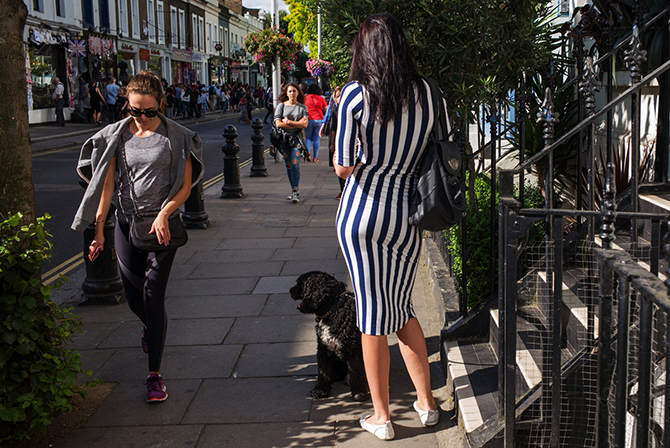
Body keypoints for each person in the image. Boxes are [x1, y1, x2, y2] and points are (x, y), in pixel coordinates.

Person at [334, 13, 440, 441]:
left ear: (365, 50)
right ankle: (427, 404)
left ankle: (382, 417)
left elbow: (343, 166)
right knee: (400, 304)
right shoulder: (431, 93)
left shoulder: (356, 97)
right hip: (409, 215)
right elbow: (443, 147)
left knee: (372, 314)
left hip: (362, 213)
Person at [71, 71, 204, 404]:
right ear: (126, 106)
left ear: (161, 103)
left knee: (153, 296)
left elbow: (185, 186)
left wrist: (164, 213)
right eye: (134, 111)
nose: (142, 117)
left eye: (149, 111)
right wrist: (99, 229)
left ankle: (154, 375)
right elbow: (106, 185)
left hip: (163, 227)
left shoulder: (177, 137)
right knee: (134, 299)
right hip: (126, 223)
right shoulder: (117, 137)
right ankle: (151, 327)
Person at [274, 83, 308, 203]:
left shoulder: (302, 107)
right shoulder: (281, 107)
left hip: (297, 139)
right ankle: (293, 189)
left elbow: (305, 124)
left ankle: (295, 190)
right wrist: (296, 123)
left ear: (298, 92)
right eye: (290, 91)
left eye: (294, 91)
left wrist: (288, 122)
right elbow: (278, 124)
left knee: (295, 163)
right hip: (284, 140)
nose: (292, 93)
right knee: (288, 165)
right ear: (286, 93)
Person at [320, 85, 343, 198]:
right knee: (340, 163)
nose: (338, 98)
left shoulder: (349, 108)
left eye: (340, 95)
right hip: (338, 139)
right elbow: (333, 127)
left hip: (350, 139)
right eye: (337, 96)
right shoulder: (335, 108)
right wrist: (332, 143)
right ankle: (342, 189)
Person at [304, 84, 328, 162]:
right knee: (316, 139)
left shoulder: (305, 98)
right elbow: (326, 110)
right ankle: (315, 157)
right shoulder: (321, 98)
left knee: (308, 138)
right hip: (319, 120)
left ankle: (308, 154)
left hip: (309, 119)